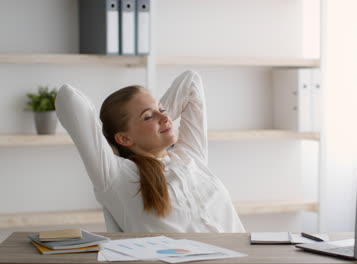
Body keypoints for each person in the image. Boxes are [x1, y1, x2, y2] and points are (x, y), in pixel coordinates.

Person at [55, 70, 245, 232]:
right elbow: (68, 98)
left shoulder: (189, 155)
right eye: (148, 116)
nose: (164, 116)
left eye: (162, 109)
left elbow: (191, 81)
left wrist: (156, 118)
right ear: (124, 138)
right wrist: (110, 145)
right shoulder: (116, 175)